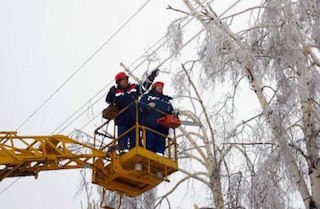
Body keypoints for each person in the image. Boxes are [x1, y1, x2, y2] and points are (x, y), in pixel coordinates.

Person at [106, 69, 159, 150]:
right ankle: (122, 150)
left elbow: (143, 88)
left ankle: (135, 150)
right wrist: (110, 92)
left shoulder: (133, 87)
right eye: (123, 80)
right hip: (122, 119)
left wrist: (151, 78)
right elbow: (108, 100)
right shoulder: (116, 92)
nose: (126, 81)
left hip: (134, 119)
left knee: (135, 141)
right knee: (122, 142)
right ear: (118, 82)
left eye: (126, 79)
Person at [140, 81, 174, 154]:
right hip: (150, 125)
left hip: (162, 127)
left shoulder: (166, 100)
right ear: (154, 87)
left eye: (162, 88)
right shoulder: (147, 96)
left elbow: (171, 110)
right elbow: (140, 106)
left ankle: (160, 154)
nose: (160, 89)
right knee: (149, 146)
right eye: (159, 87)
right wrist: (148, 107)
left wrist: (174, 113)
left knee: (160, 145)